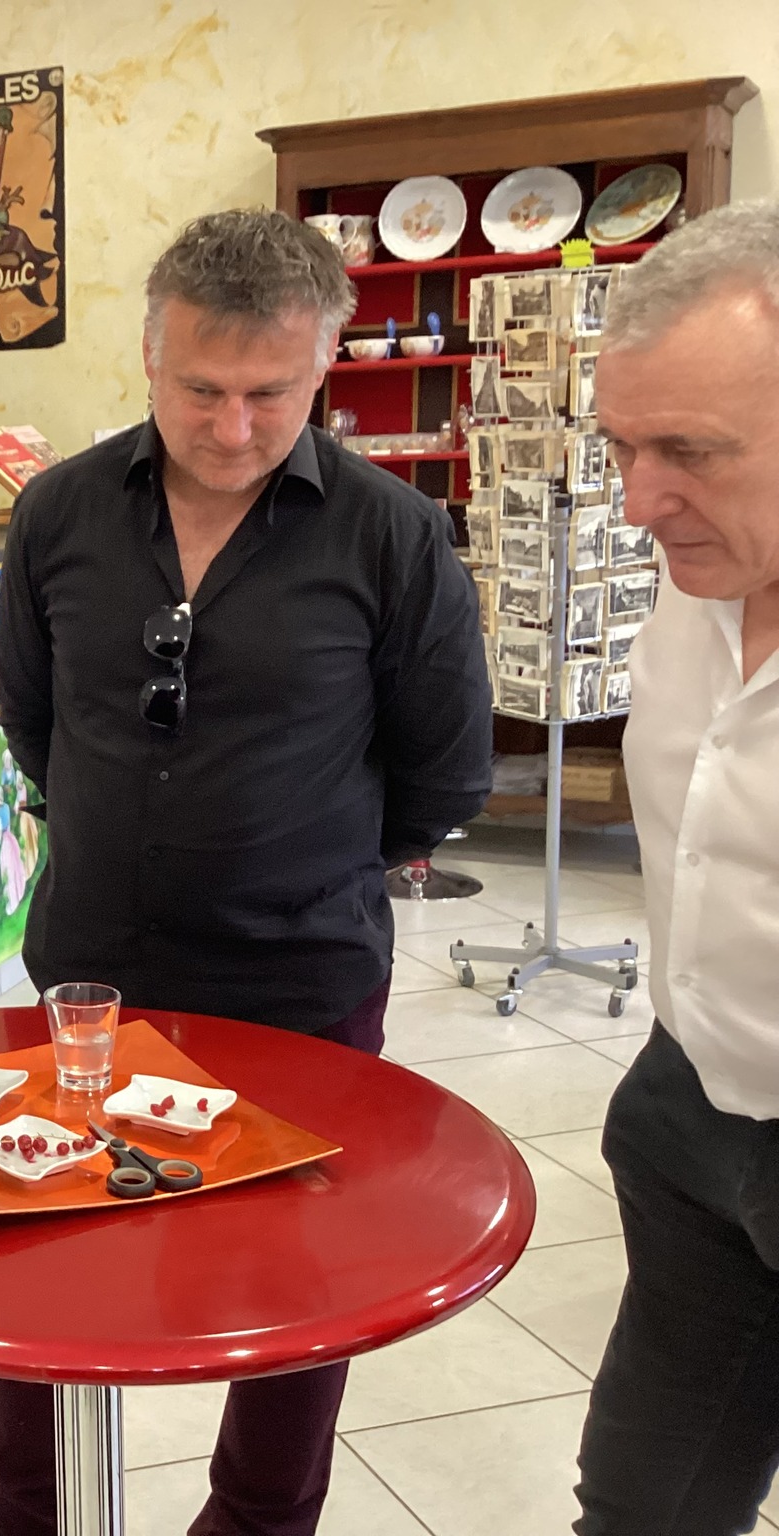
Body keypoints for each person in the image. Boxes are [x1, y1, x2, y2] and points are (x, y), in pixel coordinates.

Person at [0, 208, 492, 1536]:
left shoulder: (392, 535)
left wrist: (295, 856)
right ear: (148, 360)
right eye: (199, 390)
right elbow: (33, 721)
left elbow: (442, 771)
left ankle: (261, 1520)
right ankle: (26, 1514)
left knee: (294, 1280)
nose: (229, 425)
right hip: (92, 972)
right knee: (36, 1243)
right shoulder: (56, 515)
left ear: (325, 365)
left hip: (301, 977)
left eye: (268, 393)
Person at [572, 202, 779, 1536]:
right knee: (644, 1506)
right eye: (623, 447)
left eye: (691, 452)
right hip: (690, 1100)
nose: (640, 501)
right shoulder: (694, 579)